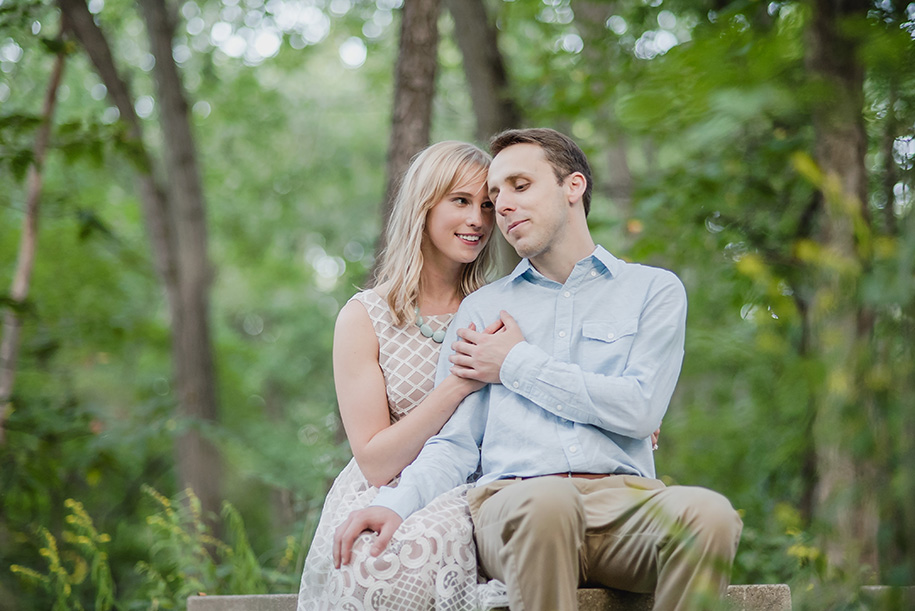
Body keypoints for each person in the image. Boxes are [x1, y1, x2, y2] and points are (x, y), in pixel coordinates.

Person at [334, 128, 743, 610]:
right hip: (516, 504)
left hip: (625, 502)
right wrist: (395, 505)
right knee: (550, 504)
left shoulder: (654, 291)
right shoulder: (483, 309)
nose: (500, 207)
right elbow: (456, 445)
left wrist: (515, 363)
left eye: (519, 187)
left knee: (710, 513)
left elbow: (638, 410)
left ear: (573, 186)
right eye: (494, 194)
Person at [297, 141, 507, 610]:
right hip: (386, 486)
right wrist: (457, 384)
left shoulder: (500, 307)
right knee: (374, 562)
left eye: (487, 206)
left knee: (425, 551)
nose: (478, 220)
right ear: (424, 204)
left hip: (476, 484)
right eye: (461, 201)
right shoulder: (364, 317)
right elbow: (374, 460)